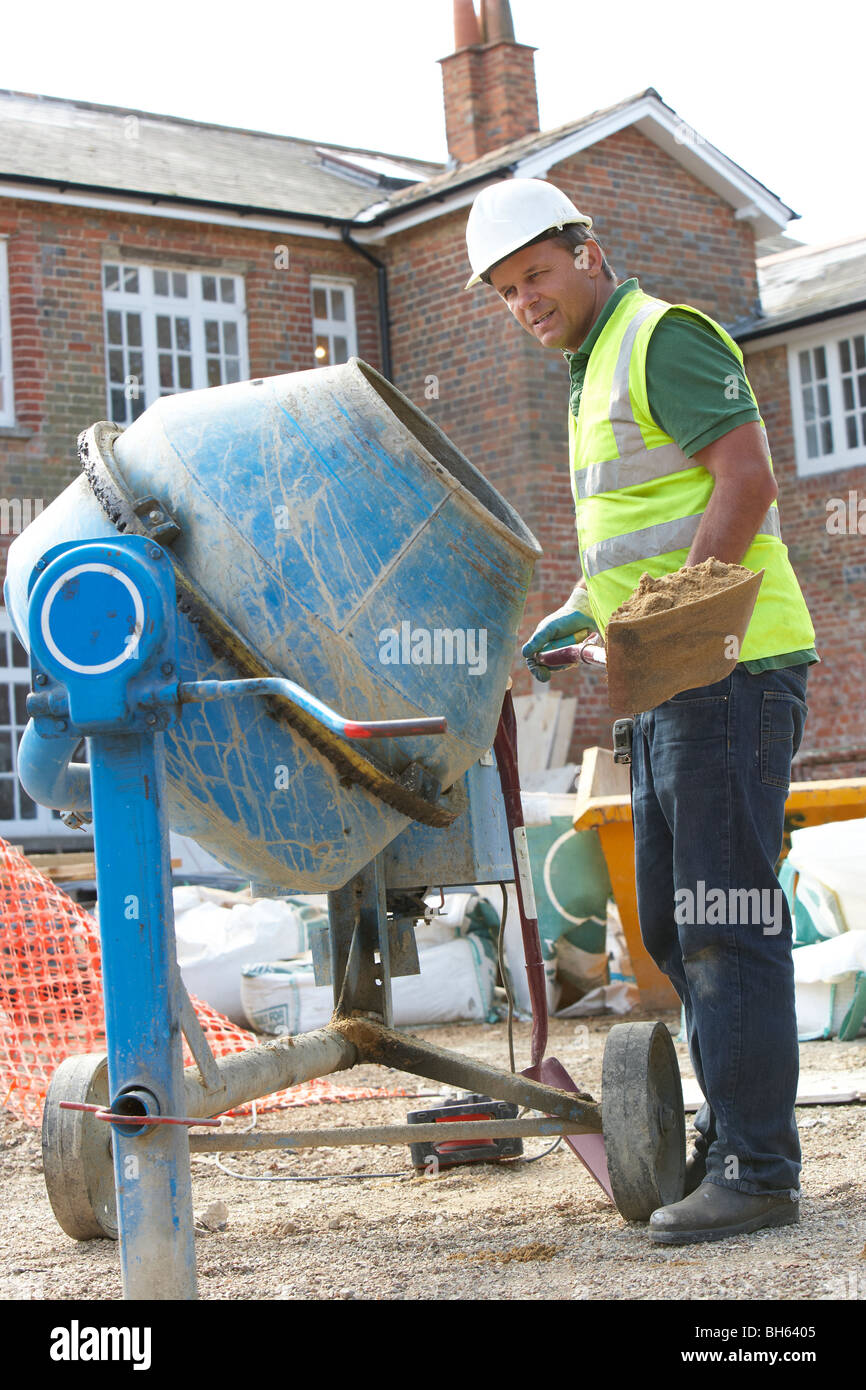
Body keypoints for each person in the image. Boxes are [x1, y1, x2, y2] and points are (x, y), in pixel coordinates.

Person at [465, 178, 818, 1245]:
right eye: (504, 289)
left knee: (722, 920)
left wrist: (671, 624)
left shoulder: (659, 337)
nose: (524, 299)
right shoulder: (590, 372)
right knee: (671, 921)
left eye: (535, 273)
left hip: (728, 663)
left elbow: (745, 482)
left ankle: (759, 1167)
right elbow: (636, 542)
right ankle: (736, 1133)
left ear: (586, 246)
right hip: (674, 674)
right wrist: (575, 612)